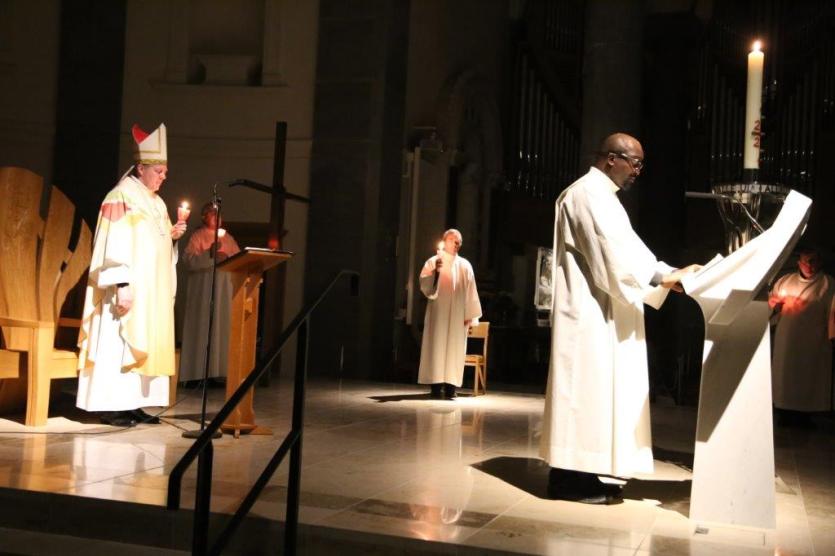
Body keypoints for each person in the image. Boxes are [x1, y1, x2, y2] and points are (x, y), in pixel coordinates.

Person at [541, 132, 700, 504]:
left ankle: (584, 474)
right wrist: (662, 278)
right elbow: (608, 251)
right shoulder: (585, 194)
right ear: (612, 158)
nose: (638, 172)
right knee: (583, 392)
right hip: (588, 314)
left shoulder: (603, 197)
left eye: (641, 164)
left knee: (597, 394)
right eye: (635, 163)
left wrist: (668, 272)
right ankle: (565, 480)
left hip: (604, 309)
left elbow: (628, 249)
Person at [76, 123, 186, 427]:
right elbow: (112, 240)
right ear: (140, 168)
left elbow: (153, 244)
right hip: (125, 288)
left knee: (146, 340)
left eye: (165, 172)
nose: (164, 176)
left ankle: (135, 403)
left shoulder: (157, 203)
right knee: (120, 341)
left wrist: (171, 238)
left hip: (152, 291)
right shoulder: (120, 196)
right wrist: (121, 283)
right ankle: (112, 405)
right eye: (159, 171)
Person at [769, 247, 835, 426]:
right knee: (786, 375)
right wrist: (775, 305)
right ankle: (783, 411)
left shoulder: (828, 284)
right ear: (799, 263)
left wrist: (832, 335)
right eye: (805, 261)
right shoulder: (785, 281)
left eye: (813, 261)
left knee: (809, 376)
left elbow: (833, 312)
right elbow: (771, 302)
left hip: (814, 339)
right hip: (787, 338)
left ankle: (805, 415)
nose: (809, 265)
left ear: (820, 262)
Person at [178, 202, 241, 383]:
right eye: (212, 213)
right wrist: (209, 255)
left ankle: (221, 373)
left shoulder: (228, 238)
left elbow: (239, 258)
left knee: (222, 327)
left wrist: (227, 257)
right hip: (203, 290)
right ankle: (198, 374)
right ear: (204, 217)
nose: (216, 216)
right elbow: (188, 260)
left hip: (224, 290)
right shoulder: (198, 236)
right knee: (204, 327)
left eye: (218, 213)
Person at [418, 229, 482, 399]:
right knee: (436, 346)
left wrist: (470, 315)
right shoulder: (433, 262)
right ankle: (435, 386)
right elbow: (426, 286)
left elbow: (471, 291)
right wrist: (435, 272)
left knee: (455, 349)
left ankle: (451, 387)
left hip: (457, 316)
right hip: (438, 313)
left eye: (458, 241)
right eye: (452, 239)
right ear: (444, 241)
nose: (455, 243)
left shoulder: (465, 265)